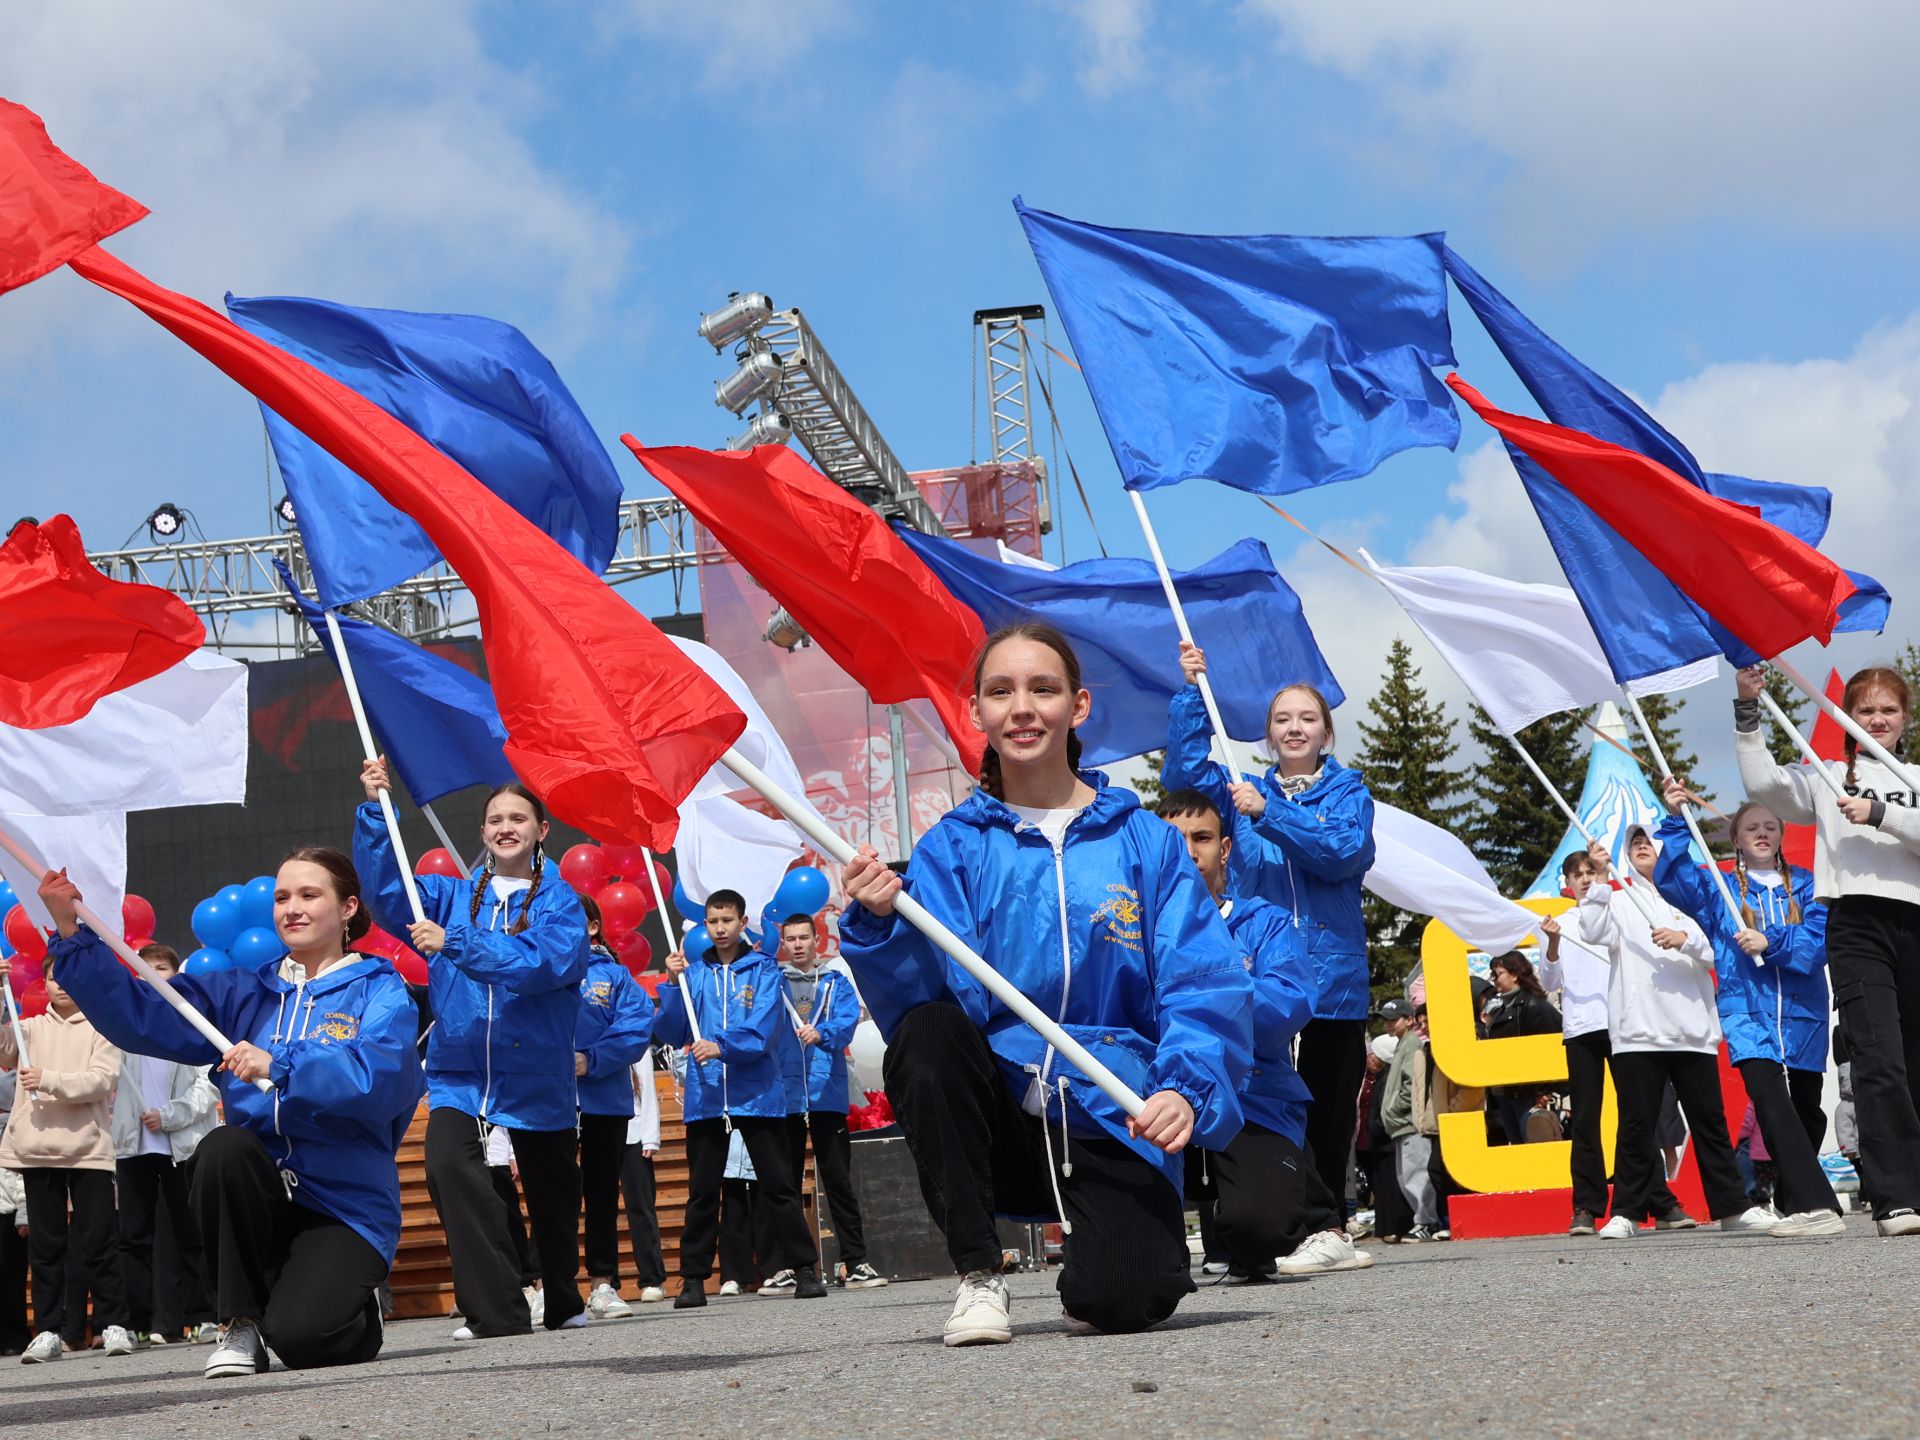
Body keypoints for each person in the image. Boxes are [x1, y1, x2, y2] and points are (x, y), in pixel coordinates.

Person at [840, 621, 1253, 1345]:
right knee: (929, 1038)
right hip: (1001, 1109)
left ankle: (1096, 1258)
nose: (1022, 708)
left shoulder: (1145, 839)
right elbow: (921, 1008)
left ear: (1079, 706)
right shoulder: (952, 848)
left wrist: (1183, 1087)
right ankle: (978, 1275)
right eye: (1000, 691)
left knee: (1124, 1300)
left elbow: (1202, 979)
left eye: (1043, 688)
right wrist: (880, 925)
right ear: (976, 712)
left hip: (1112, 1101)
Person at [38, 853, 424, 1376]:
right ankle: (239, 1323)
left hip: (343, 1205)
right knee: (222, 1148)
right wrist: (70, 931)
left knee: (304, 1340)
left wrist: (282, 1063)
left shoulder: (380, 988)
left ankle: (354, 1313)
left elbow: (379, 1078)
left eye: (309, 896)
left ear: (348, 907)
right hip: (258, 1196)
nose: (292, 908)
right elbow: (142, 1016)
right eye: (283, 898)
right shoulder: (242, 990)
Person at [355, 766, 590, 1338]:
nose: (505, 828)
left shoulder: (561, 904)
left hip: (534, 1072)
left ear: (541, 831)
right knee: (446, 1166)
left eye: (517, 819)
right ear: (482, 831)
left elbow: (542, 965)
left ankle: (561, 1297)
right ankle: (495, 1307)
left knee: (552, 1199)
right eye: (494, 820)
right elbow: (387, 892)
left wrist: (455, 941)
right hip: (460, 1070)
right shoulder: (449, 895)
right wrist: (377, 813)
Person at [1165, 641, 1375, 1214]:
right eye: (1283, 719)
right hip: (1261, 981)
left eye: (1308, 718)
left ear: (1325, 734)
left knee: (1330, 1108)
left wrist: (1270, 813)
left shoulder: (1348, 793)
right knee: (1263, 1101)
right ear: (1268, 734)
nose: (1295, 728)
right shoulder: (1238, 789)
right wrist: (1191, 693)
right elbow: (1183, 778)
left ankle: (1328, 1222)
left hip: (1332, 987)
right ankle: (1275, 1220)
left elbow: (1343, 852)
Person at [1733, 663, 1920, 1236]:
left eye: (1888, 709)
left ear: (1905, 718)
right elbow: (1764, 785)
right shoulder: (1826, 773)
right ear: (1848, 718)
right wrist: (1748, 709)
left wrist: (1882, 813)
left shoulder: (1914, 774)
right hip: (1855, 921)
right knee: (1878, 1060)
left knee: (1915, 1061)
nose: (1878, 719)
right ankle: (1894, 1199)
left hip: (1914, 917)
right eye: (1866, 710)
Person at [1156, 787, 1372, 1278]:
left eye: (1202, 837)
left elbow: (1288, 1004)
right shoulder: (1131, 930)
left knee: (1259, 1234)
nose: (1189, 850)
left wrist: (1211, 988)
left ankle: (1308, 1225)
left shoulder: (1265, 923)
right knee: (1134, 1269)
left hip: (1250, 1101)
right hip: (1158, 1105)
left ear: (1225, 849)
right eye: (1174, 838)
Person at [1653, 774, 1843, 1237]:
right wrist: (1676, 819)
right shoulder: (1718, 887)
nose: (1762, 833)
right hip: (1746, 1011)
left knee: (1805, 1110)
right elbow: (1672, 881)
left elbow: (1817, 944)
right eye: (1752, 827)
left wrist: (1770, 940)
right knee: (1769, 1100)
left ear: (1780, 836)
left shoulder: (1807, 885)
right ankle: (1820, 1204)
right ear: (1735, 837)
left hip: (1802, 1015)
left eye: (1771, 827)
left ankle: (1793, 1201)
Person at [1574, 834, 1774, 1238]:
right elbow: (1592, 932)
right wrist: (1596, 883)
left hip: (1691, 1028)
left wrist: (1688, 940)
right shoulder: (1616, 897)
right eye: (1634, 844)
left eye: (1650, 840)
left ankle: (1733, 1208)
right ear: (1626, 857)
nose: (1643, 846)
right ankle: (1626, 1213)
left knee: (1709, 1123)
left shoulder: (1692, 896)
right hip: (1639, 1031)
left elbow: (1724, 950)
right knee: (1636, 1125)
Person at [656, 889, 827, 1306]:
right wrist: (672, 984)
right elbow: (672, 1030)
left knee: (779, 1187)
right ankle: (694, 1279)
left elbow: (765, 1028)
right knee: (701, 1191)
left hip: (758, 1095)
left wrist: (721, 1045)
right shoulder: (694, 974)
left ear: (742, 922)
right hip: (708, 1096)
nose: (719, 929)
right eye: (712, 921)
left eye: (726, 921)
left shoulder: (764, 970)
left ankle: (805, 1269)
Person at [1538, 855, 1688, 1236]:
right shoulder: (1561, 923)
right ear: (1567, 884)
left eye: (1592, 872)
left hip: (1624, 1024)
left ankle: (1659, 1201)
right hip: (1581, 1029)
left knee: (1638, 1117)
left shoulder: (1620, 913)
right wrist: (1553, 943)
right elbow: (1549, 980)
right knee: (1586, 1119)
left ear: (1604, 875)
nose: (1586, 880)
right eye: (1579, 875)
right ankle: (1585, 1208)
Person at [0, 946, 132, 1363]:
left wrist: (48, 1078)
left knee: (98, 1241)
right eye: (54, 978)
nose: (60, 985)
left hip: (88, 1148)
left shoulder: (102, 1027)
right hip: (37, 1147)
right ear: (45, 983)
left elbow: (101, 1080)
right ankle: (48, 1330)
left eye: (68, 977)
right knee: (45, 1245)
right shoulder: (31, 1028)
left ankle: (113, 1323)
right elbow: (5, 1050)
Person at [111, 943, 219, 1347]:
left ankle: (203, 1317)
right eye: (144, 968)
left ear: (176, 974)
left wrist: (169, 1115)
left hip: (183, 1145)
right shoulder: (123, 1027)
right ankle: (138, 1322)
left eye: (161, 968)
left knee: (191, 1233)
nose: (153, 974)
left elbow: (208, 1087)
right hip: (134, 1145)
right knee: (133, 1239)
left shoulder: (194, 1023)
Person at [771, 913, 886, 1290]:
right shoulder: (773, 984)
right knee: (784, 1183)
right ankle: (789, 1264)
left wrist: (824, 1033)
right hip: (785, 1095)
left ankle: (855, 1261)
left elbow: (847, 1019)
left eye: (805, 937)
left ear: (817, 940)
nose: (799, 944)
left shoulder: (835, 983)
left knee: (837, 1180)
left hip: (826, 1092)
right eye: (791, 939)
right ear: (783, 943)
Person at [572, 896, 658, 1319]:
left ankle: (602, 1284)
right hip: (547, 1101)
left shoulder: (616, 976)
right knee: (553, 1194)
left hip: (604, 1099)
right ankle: (546, 1287)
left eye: (574, 920)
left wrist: (591, 1059)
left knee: (602, 1193)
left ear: (591, 926)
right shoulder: (536, 972)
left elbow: (636, 1026)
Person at [1480, 951, 1563, 1147]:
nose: (1493, 979)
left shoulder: (1535, 1006)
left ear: (1514, 974)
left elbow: (1550, 1049)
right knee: (1519, 1150)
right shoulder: (1501, 1008)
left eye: (1497, 973)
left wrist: (1544, 1090)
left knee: (1538, 1152)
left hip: (1529, 1095)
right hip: (1505, 1093)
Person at [1378, 998, 1434, 1242]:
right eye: (1387, 1020)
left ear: (1409, 1020)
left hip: (1409, 1122)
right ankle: (1423, 1221)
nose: (1389, 1024)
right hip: (1402, 1124)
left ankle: (1426, 1223)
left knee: (1416, 1175)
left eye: (1394, 1019)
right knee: (1407, 1177)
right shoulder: (1404, 1044)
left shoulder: (1411, 1045)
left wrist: (1394, 1110)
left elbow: (1412, 1084)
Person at [620, 1047, 668, 1304]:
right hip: (599, 1128)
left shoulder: (636, 1045)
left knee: (641, 1209)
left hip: (634, 1133)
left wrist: (650, 1136)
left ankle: (652, 1279)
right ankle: (607, 1282)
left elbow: (648, 1089)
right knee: (600, 1210)